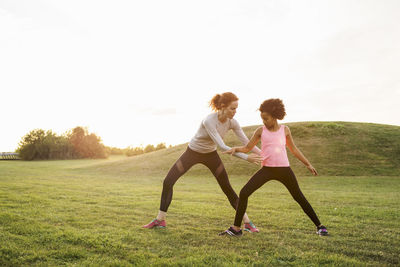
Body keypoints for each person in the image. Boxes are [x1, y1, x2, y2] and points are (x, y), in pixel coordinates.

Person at [143, 92, 263, 232]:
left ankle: (247, 223)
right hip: (192, 153)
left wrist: (264, 155)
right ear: (223, 106)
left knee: (227, 187)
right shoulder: (209, 121)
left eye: (236, 109)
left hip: (210, 155)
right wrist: (246, 157)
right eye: (232, 108)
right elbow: (222, 146)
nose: (235, 112)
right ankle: (160, 219)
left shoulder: (233, 123)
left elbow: (247, 143)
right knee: (168, 181)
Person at [219, 98, 328, 236]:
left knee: (299, 197)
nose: (264, 121)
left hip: (284, 170)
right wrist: (235, 149)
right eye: (262, 119)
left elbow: (294, 149)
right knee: (244, 192)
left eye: (266, 118)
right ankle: (236, 228)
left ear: (275, 116)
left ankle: (320, 226)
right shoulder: (260, 131)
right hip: (267, 170)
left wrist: (308, 164)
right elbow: (247, 148)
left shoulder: (285, 130)